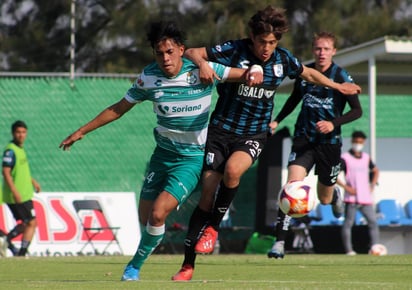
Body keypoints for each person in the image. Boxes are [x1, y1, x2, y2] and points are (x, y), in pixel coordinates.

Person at [59, 20, 262, 281]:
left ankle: (133, 266)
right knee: (148, 219)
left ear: (181, 49)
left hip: (191, 158)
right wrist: (82, 131)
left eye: (169, 52)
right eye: (159, 53)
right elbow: (118, 108)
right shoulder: (149, 77)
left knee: (157, 213)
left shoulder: (202, 70)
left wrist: (255, 69)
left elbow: (243, 74)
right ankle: (156, 235)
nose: (164, 58)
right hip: (162, 156)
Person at [172, 7, 361, 281]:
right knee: (207, 191)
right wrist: (202, 64)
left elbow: (307, 73)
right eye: (262, 42)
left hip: (254, 134)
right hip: (221, 131)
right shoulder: (234, 50)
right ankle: (187, 265)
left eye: (272, 43)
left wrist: (337, 86)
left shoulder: (282, 59)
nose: (267, 48)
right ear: (252, 37)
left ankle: (214, 228)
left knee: (233, 172)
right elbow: (190, 52)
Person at [267, 31, 362, 259]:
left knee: (325, 199)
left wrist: (333, 123)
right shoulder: (305, 72)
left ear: (334, 51)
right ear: (313, 50)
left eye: (326, 49)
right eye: (318, 48)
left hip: (329, 144)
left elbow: (357, 111)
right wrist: (277, 120)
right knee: (291, 186)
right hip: (303, 140)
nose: (321, 53)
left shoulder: (341, 75)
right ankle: (279, 243)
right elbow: (293, 100)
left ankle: (335, 194)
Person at [1, 120, 41, 257]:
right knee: (31, 222)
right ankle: (20, 251)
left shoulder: (20, 149)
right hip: (17, 195)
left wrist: (33, 182)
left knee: (27, 223)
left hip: (24, 193)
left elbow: (21, 171)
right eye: (18, 132)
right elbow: (6, 172)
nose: (21, 135)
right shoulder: (10, 150)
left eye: (23, 132)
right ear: (13, 133)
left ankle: (10, 244)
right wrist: (14, 191)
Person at [337, 131, 380, 255]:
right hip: (351, 197)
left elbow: (376, 171)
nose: (358, 144)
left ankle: (374, 248)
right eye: (356, 142)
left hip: (365, 197)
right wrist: (346, 187)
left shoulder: (366, 157)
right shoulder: (345, 158)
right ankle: (349, 250)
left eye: (360, 142)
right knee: (348, 223)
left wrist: (372, 185)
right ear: (352, 141)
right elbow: (335, 175)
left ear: (364, 142)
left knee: (372, 222)